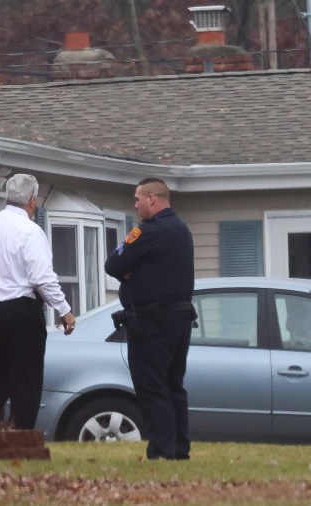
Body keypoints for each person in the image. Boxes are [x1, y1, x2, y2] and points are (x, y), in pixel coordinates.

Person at [0, 173, 76, 430]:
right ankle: (22, 435)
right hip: (18, 312)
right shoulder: (30, 231)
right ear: (32, 200)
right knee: (26, 380)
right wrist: (64, 310)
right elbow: (42, 277)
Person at [104, 177, 195, 460]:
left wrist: (132, 272)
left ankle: (161, 451)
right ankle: (179, 449)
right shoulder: (182, 231)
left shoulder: (150, 232)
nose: (135, 204)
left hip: (152, 323)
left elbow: (114, 264)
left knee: (152, 387)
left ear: (152, 199)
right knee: (173, 386)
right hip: (180, 321)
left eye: (138, 198)